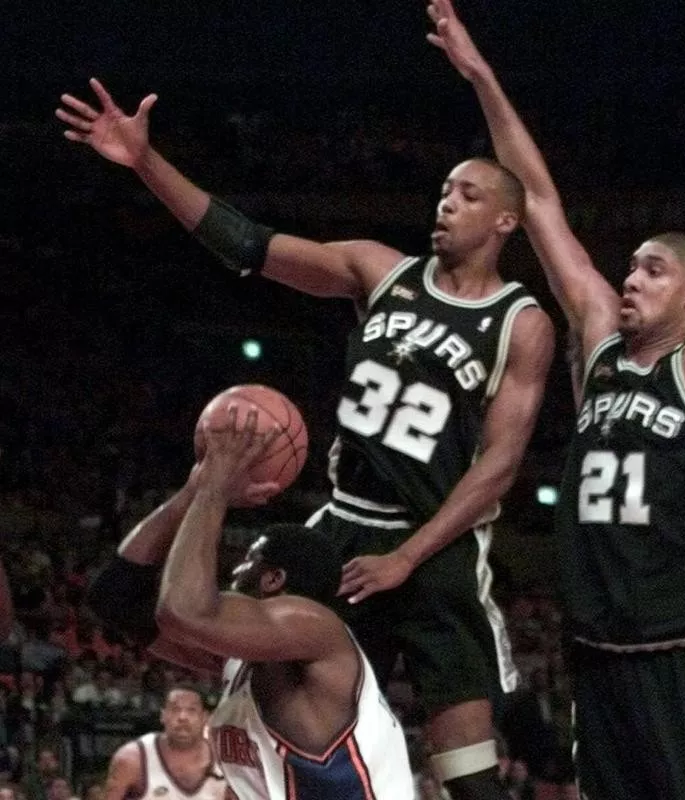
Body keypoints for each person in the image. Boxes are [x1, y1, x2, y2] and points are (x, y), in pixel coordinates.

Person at [57, 58, 556, 797]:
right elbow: (250, 247)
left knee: (470, 778)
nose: (446, 202)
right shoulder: (378, 270)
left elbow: (498, 468)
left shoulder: (520, 323)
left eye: (468, 193)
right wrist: (145, 163)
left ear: (505, 220)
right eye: (445, 189)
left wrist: (408, 559)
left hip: (436, 543)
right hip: (343, 523)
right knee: (274, 692)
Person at [425, 1, 685, 798]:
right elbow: (540, 204)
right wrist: (483, 77)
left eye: (653, 270)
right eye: (631, 266)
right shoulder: (596, 343)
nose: (630, 278)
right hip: (597, 658)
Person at [89, 408, 416, 799]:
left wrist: (216, 489)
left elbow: (183, 610)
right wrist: (192, 491)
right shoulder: (244, 659)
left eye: (248, 559)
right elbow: (114, 597)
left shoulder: (315, 627)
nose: (234, 570)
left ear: (274, 578)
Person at [102, 686, 225, 800]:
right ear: (163, 716)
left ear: (205, 717)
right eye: (175, 709)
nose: (182, 717)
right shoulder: (132, 758)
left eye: (191, 710)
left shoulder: (224, 760)